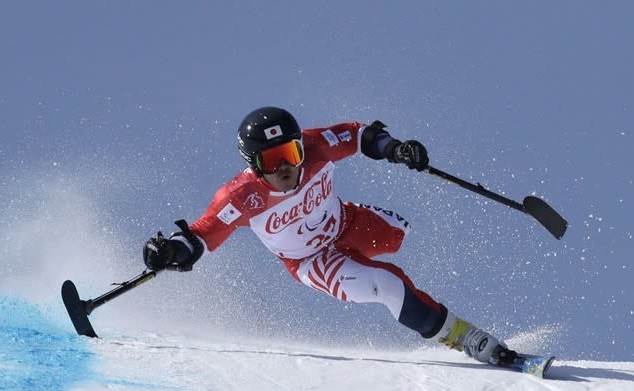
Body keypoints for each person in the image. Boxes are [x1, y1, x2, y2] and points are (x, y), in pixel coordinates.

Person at [143, 106, 517, 366]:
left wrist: (396, 149)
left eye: (291, 152)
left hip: (346, 222)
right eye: (272, 161)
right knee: (388, 285)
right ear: (253, 165)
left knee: (399, 234)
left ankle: (380, 248)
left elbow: (359, 135)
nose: (287, 166)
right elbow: (201, 236)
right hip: (313, 261)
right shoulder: (241, 198)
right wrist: (170, 252)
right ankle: (469, 340)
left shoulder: (315, 145)